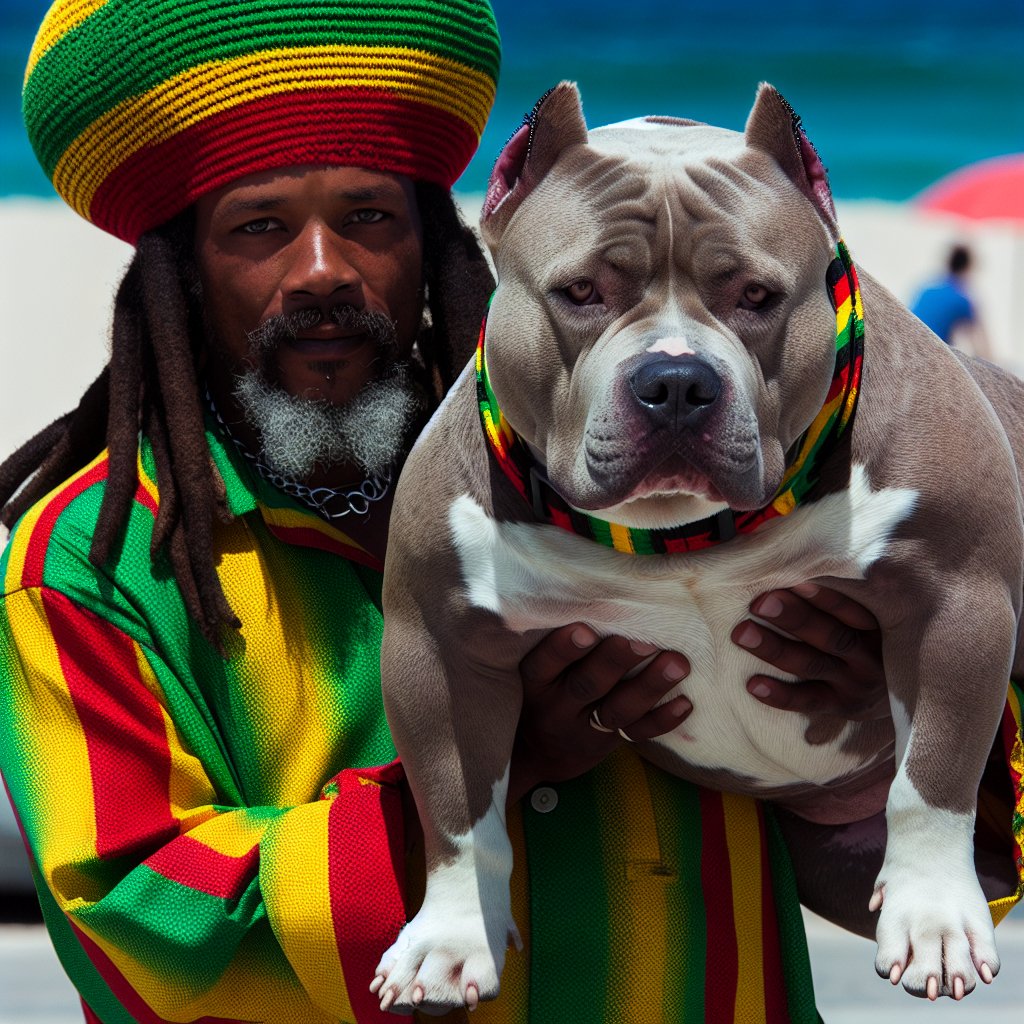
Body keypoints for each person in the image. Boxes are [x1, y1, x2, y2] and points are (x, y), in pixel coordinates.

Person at [0, 2, 986, 1021]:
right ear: (178, 272)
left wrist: (867, 745)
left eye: (369, 217)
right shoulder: (85, 563)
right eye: (259, 227)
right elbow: (132, 916)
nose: (324, 270)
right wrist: (490, 769)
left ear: (436, 242)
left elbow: (891, 885)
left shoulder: (668, 478)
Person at [910, 243, 990, 355]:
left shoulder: (926, 290)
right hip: (930, 358)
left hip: (907, 350)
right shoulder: (962, 300)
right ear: (967, 267)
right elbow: (982, 349)